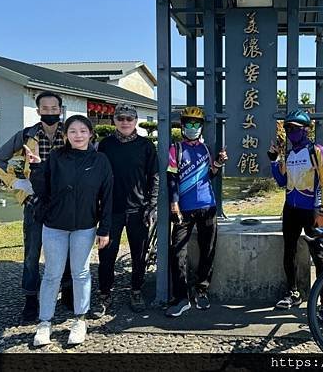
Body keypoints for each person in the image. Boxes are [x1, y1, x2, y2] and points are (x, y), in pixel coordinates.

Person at [27, 115, 113, 346]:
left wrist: (104, 229)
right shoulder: (56, 157)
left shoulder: (100, 160)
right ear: (65, 136)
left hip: (84, 226)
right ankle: (45, 322)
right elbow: (42, 190)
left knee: (81, 273)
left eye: (83, 131)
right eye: (73, 131)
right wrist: (35, 167)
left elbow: (107, 196)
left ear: (91, 134)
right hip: (54, 226)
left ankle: (80, 319)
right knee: (52, 274)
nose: (78, 135)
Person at [0, 91, 73, 322]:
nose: (50, 112)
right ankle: (30, 297)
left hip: (62, 201)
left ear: (61, 109)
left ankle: (67, 291)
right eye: (45, 109)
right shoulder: (26, 135)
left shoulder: (70, 134)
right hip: (35, 201)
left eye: (54, 108)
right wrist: (17, 184)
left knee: (66, 249)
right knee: (32, 252)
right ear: (38, 111)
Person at [267, 109, 323, 328]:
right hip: (291, 209)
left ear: (306, 130)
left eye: (295, 128)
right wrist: (273, 160)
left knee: (320, 258)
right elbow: (281, 181)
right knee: (289, 252)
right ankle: (292, 292)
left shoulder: (317, 151)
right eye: (288, 128)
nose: (291, 132)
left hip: (312, 211)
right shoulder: (289, 154)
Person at [95, 103, 159, 316]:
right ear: (114, 120)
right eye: (120, 118)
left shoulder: (146, 146)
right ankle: (104, 293)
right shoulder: (105, 144)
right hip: (110, 209)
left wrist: (152, 205)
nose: (125, 122)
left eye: (129, 119)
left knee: (138, 254)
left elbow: (155, 177)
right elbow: (96, 178)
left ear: (136, 121)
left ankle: (136, 290)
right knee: (106, 254)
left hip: (138, 209)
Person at [165, 106, 228, 317]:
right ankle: (182, 297)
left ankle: (202, 290)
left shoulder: (206, 149)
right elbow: (171, 178)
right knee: (177, 252)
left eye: (196, 124)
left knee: (208, 249)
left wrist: (218, 163)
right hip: (183, 210)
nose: (192, 127)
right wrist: (174, 203)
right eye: (188, 124)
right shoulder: (176, 149)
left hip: (208, 206)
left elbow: (209, 175)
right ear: (182, 126)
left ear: (201, 127)